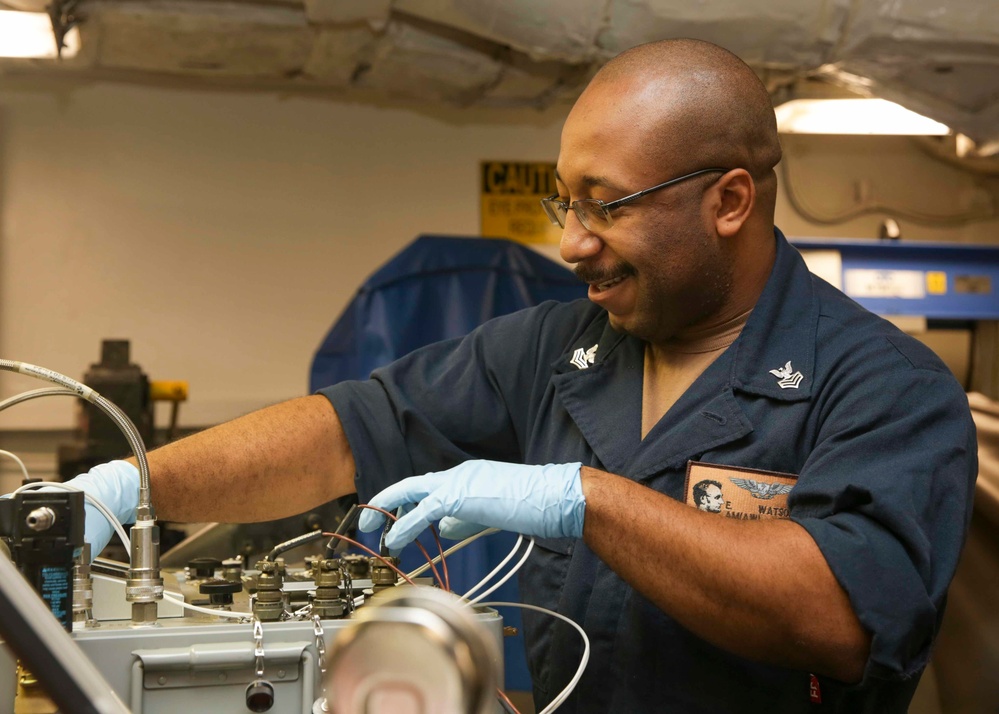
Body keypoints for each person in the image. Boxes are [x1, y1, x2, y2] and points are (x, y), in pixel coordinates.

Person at [67, 38, 977, 713]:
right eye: (563, 202)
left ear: (728, 200)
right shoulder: (556, 348)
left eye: (603, 206)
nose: (571, 243)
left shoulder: (883, 387)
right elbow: (347, 429)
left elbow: (841, 616)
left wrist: (591, 499)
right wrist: (131, 489)